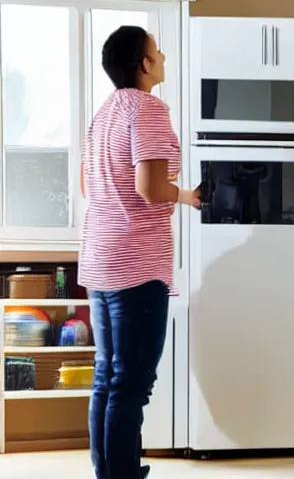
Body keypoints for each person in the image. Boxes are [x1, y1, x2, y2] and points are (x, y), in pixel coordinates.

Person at [79, 25, 200, 479]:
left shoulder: (104, 113)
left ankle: (111, 470)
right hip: (136, 262)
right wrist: (186, 196)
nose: (163, 54)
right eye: (156, 49)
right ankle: (122, 475)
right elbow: (150, 189)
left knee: (108, 378)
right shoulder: (148, 108)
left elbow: (88, 185)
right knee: (131, 384)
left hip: (99, 257)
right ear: (143, 64)